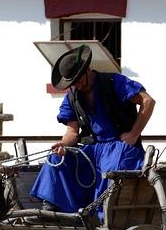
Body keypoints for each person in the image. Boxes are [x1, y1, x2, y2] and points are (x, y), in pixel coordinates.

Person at [30, 44, 155, 220]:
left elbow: (148, 102)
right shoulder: (72, 96)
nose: (79, 85)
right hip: (93, 149)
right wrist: (63, 144)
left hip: (120, 146)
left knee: (110, 168)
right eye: (74, 83)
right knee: (56, 159)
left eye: (80, 79)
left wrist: (134, 133)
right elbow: (72, 133)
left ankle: (102, 218)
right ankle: (52, 210)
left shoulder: (114, 82)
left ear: (88, 69)